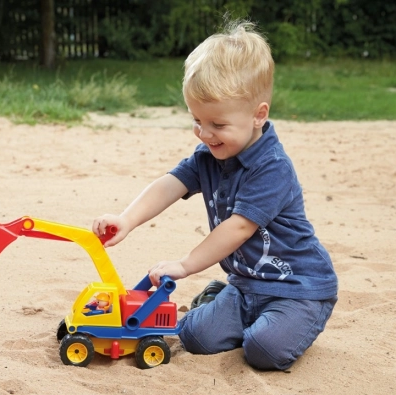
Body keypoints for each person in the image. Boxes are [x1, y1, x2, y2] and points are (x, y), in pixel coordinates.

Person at [92, 19, 338, 371]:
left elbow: (238, 229)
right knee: (195, 337)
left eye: (218, 125)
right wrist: (126, 219)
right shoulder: (209, 156)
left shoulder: (271, 168)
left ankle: (289, 322)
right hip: (245, 285)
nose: (204, 134)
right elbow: (170, 184)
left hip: (298, 289)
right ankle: (220, 296)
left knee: (263, 350)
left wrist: (185, 265)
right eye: (197, 120)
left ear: (258, 115)